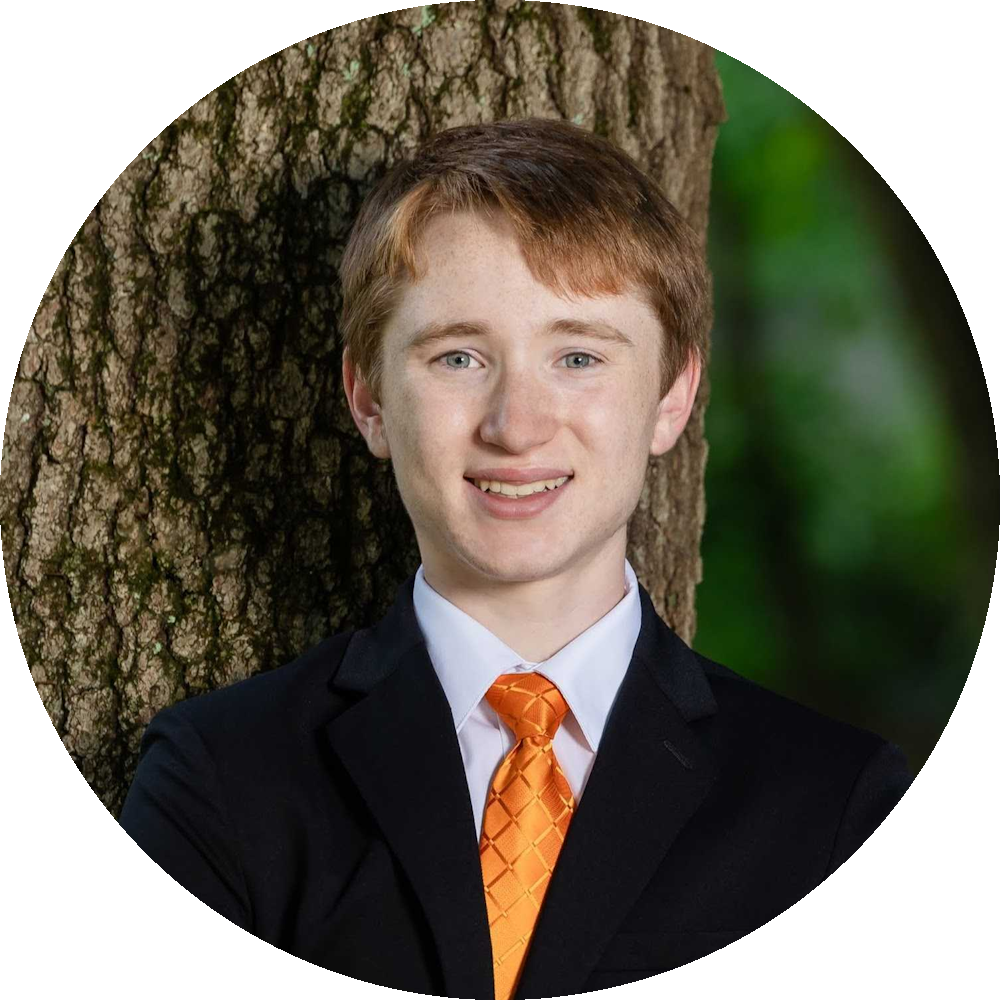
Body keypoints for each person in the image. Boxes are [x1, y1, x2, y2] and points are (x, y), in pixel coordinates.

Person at [119, 117, 914, 996]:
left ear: (673, 395)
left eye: (577, 356)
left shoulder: (831, 802)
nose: (516, 426)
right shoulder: (224, 780)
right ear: (369, 399)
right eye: (459, 357)